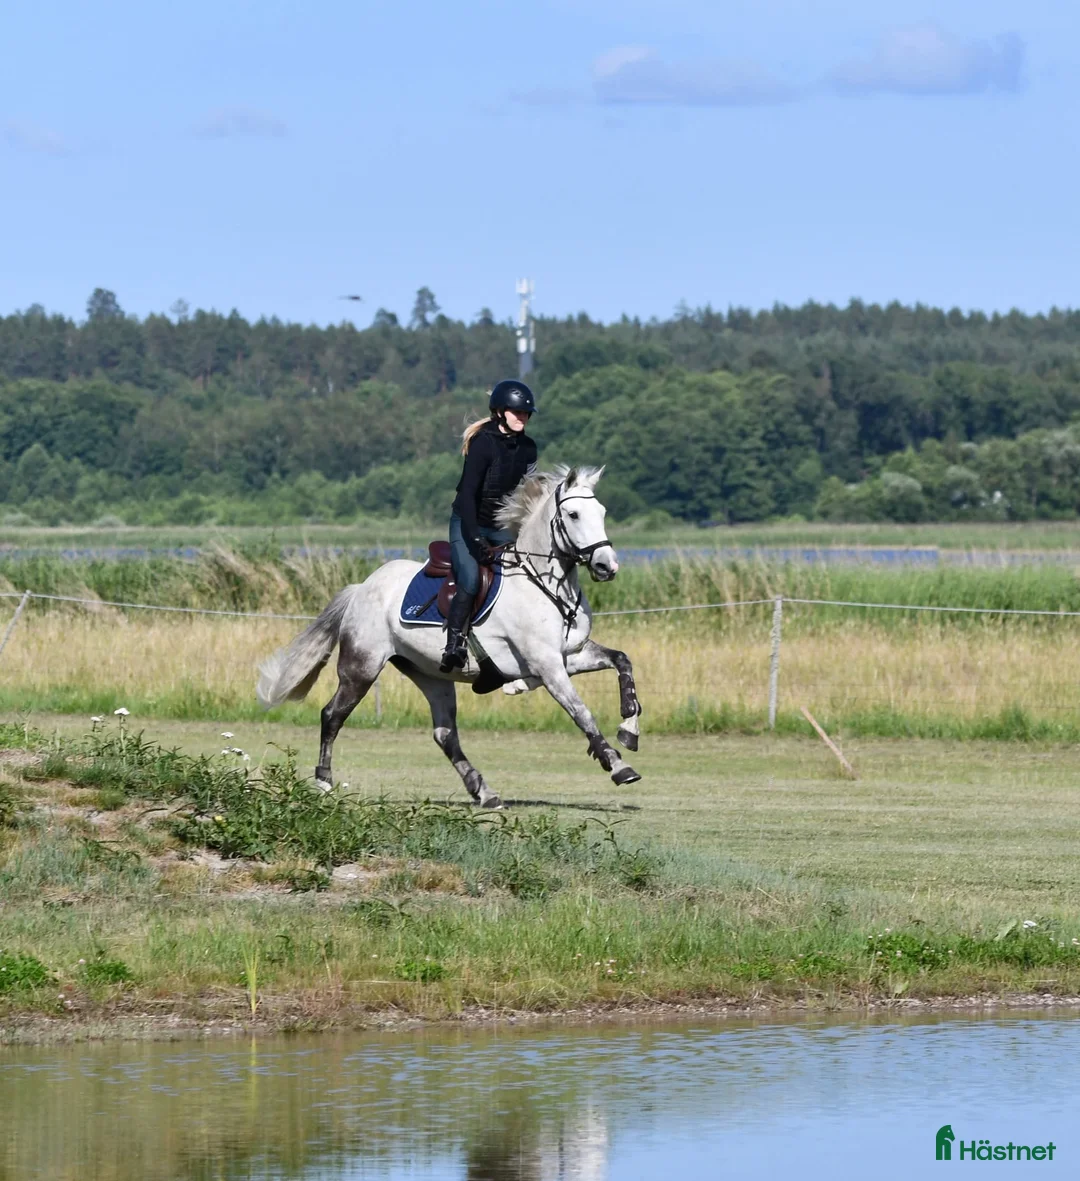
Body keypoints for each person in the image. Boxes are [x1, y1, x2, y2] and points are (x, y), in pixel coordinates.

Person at [440, 379, 538, 672]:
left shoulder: (529, 449)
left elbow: (528, 495)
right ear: (499, 412)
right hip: (467, 521)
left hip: (500, 525)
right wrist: (475, 539)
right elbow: (468, 495)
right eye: (516, 412)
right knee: (470, 578)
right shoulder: (483, 443)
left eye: (525, 414)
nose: (521, 418)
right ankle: (454, 645)